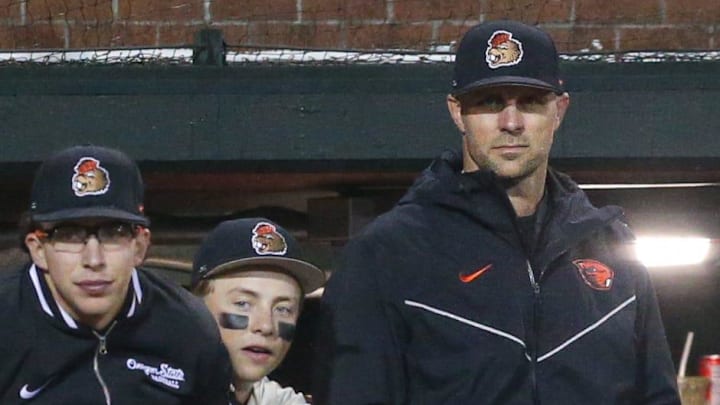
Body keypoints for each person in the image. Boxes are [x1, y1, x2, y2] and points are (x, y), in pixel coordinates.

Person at [313, 20, 681, 404]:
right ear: (457, 112)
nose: (511, 122)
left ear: (559, 110)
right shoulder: (386, 254)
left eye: (531, 102)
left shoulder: (613, 248)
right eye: (490, 102)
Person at [0, 145, 232, 404]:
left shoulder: (188, 325)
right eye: (68, 235)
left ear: (140, 246)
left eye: (114, 233)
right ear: (38, 249)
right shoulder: (7, 321)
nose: (94, 260)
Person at [191, 218, 326, 405]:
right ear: (195, 306)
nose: (266, 326)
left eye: (283, 309)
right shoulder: (155, 391)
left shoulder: (273, 399)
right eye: (243, 303)